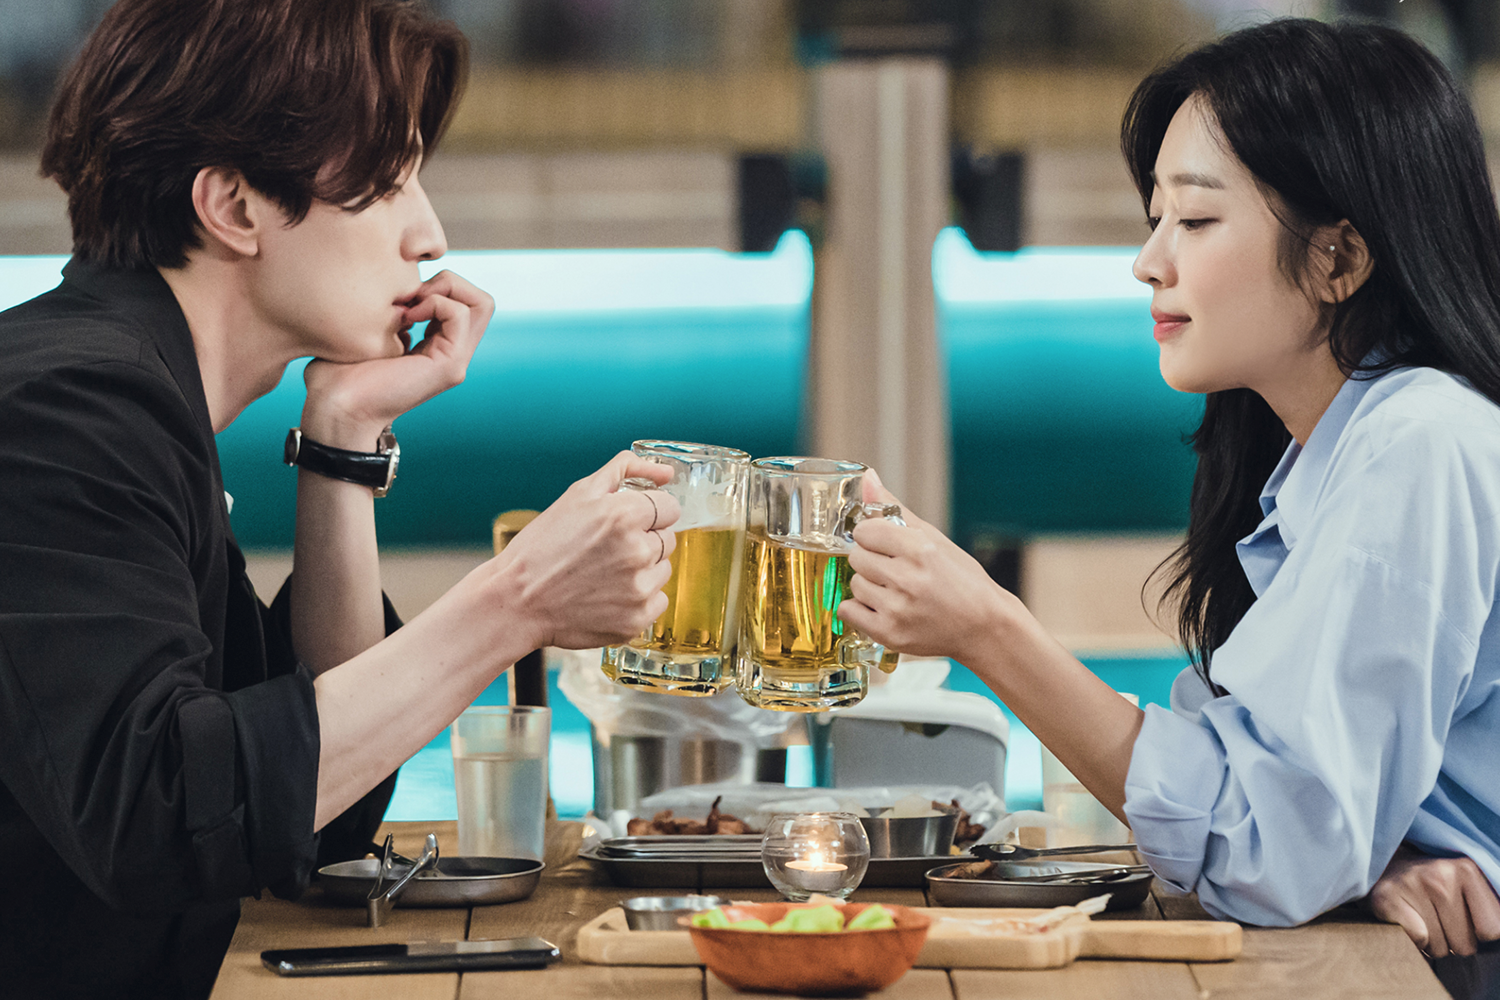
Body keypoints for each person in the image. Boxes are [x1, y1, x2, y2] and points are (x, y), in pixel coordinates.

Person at [0, 1, 680, 997]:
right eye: (388, 180)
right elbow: (163, 817)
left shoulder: (133, 393)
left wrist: (344, 438)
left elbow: (315, 812)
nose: (430, 234)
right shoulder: (69, 410)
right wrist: (517, 603)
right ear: (234, 207)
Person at [837, 17, 1500, 997]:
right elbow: (1279, 818)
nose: (1149, 261)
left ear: (1339, 259)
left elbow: (1264, 850)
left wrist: (987, 628)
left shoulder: (1419, 442)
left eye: (1193, 220)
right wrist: (1367, 861)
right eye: (1155, 218)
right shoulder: (1342, 451)